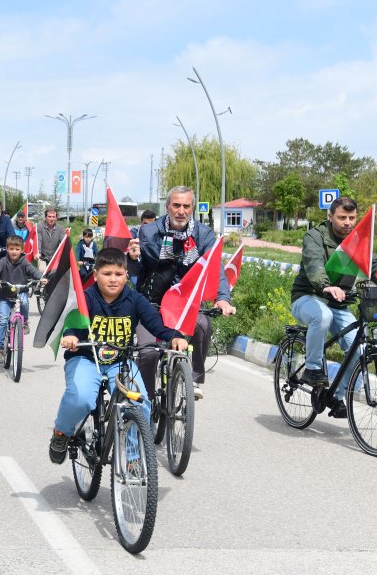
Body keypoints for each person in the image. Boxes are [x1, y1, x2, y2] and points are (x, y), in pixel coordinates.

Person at [48, 248, 188, 463]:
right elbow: (72, 323)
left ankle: (133, 460)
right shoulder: (86, 298)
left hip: (120, 363)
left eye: (118, 274)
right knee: (81, 398)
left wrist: (175, 337)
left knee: (139, 403)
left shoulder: (135, 299)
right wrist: (71, 336)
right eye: (107, 274)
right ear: (96, 275)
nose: (113, 279)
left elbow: (156, 324)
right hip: (86, 359)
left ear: (126, 275)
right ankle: (61, 433)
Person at [132, 186, 236, 400]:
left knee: (203, 325)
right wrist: (132, 258)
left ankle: (193, 379)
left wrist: (223, 298)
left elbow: (214, 267)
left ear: (192, 209)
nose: (181, 211)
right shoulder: (148, 232)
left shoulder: (203, 234)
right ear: (167, 207)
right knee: (148, 353)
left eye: (186, 206)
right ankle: (146, 402)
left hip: (187, 303)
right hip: (152, 303)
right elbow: (140, 268)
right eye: (176, 205)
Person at [290, 195, 363, 419]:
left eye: (352, 218)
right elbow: (314, 264)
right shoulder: (315, 236)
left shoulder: (358, 239)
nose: (348, 222)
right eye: (342, 217)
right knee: (322, 316)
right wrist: (326, 286)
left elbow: (372, 263)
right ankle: (312, 368)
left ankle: (336, 397)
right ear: (330, 217)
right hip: (308, 297)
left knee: (359, 349)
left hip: (338, 304)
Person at [0, 235, 45, 364]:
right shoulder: (3, 261)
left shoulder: (24, 262)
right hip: (4, 295)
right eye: (11, 249)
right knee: (3, 320)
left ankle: (24, 322)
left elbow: (33, 272)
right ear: (7, 249)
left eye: (17, 249)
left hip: (20, 292)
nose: (14, 251)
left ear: (22, 250)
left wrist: (41, 278)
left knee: (25, 301)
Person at [37, 207, 64, 273]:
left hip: (55, 257)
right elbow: (38, 241)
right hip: (42, 256)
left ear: (56, 218)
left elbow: (64, 242)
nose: (51, 219)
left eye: (53, 217)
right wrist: (38, 253)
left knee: (58, 271)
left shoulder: (61, 228)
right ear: (46, 217)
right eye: (49, 216)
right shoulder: (39, 226)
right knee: (42, 270)